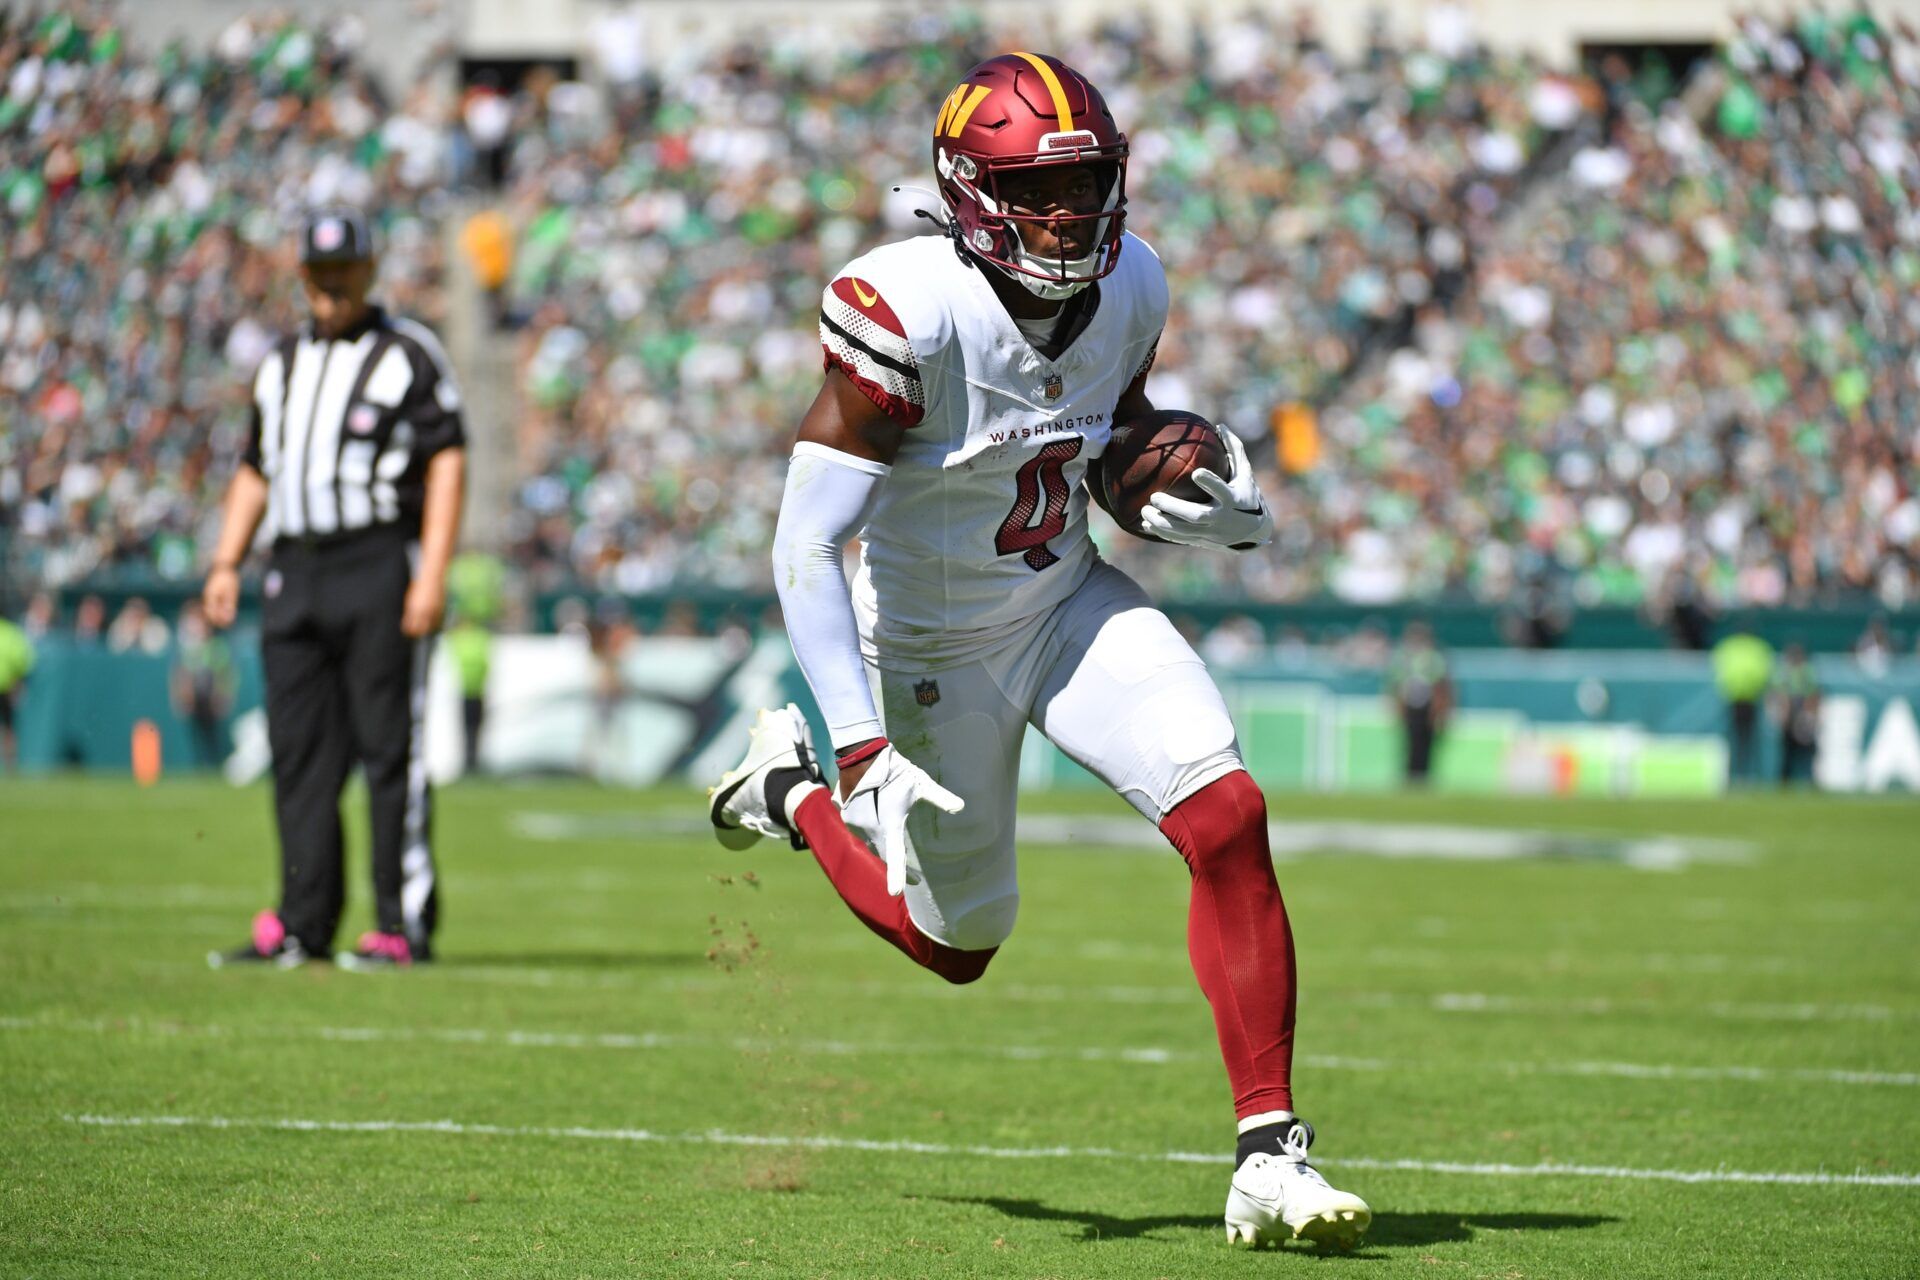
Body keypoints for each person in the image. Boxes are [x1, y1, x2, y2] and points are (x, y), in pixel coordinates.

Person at [707, 54, 1369, 1251]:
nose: (1067, 215)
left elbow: (1100, 433)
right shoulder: (903, 307)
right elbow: (805, 547)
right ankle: (787, 791)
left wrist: (1156, 490)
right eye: (1034, 189)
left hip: (1063, 599)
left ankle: (1269, 1150)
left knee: (1225, 810)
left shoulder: (1134, 284)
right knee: (957, 947)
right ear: (966, 191)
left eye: (1085, 185)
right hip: (926, 643)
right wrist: (854, 747)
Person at [203, 206, 467, 970]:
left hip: (378, 560)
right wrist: (226, 561)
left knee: (391, 751)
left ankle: (399, 922)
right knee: (297, 754)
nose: (332, 286)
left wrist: (434, 570)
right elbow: (256, 467)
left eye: (345, 270)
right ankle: (301, 920)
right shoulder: (280, 364)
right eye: (319, 273)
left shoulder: (409, 353)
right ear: (302, 277)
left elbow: (447, 459)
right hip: (294, 566)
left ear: (369, 270)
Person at [1385, 621, 1454, 784]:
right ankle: (1411, 776)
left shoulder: (1433, 658)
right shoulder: (1403, 658)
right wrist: (1396, 707)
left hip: (1428, 708)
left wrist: (1441, 710)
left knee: (1426, 743)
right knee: (1411, 743)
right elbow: (1396, 685)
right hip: (1411, 707)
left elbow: (1441, 685)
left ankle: (1423, 777)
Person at [170, 601, 236, 769]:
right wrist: (181, 697)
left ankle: (214, 767)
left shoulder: (216, 646)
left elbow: (224, 674)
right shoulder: (189, 649)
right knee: (197, 740)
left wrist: (223, 697)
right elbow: (181, 675)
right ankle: (201, 767)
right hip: (195, 700)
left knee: (212, 738)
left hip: (210, 700)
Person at [1711, 631, 1774, 785]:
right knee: (1745, 741)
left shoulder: (1728, 646)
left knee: (1742, 741)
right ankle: (1743, 775)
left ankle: (1743, 775)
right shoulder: (1758, 647)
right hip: (1745, 698)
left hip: (1740, 698)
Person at [1772, 643, 1821, 787]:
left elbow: (1813, 694)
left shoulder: (1807, 671)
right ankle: (1784, 780)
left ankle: (1810, 779)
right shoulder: (1785, 672)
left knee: (1808, 750)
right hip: (1792, 712)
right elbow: (1780, 695)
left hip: (1802, 710)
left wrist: (1809, 713)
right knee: (1788, 749)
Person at [0, 611, 34, 773]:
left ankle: (10, 766)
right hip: (7, 686)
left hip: (6, 687)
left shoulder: (12, 632)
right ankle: (10, 766)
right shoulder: (12, 632)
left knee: (8, 729)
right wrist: (18, 683)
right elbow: (23, 661)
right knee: (9, 729)